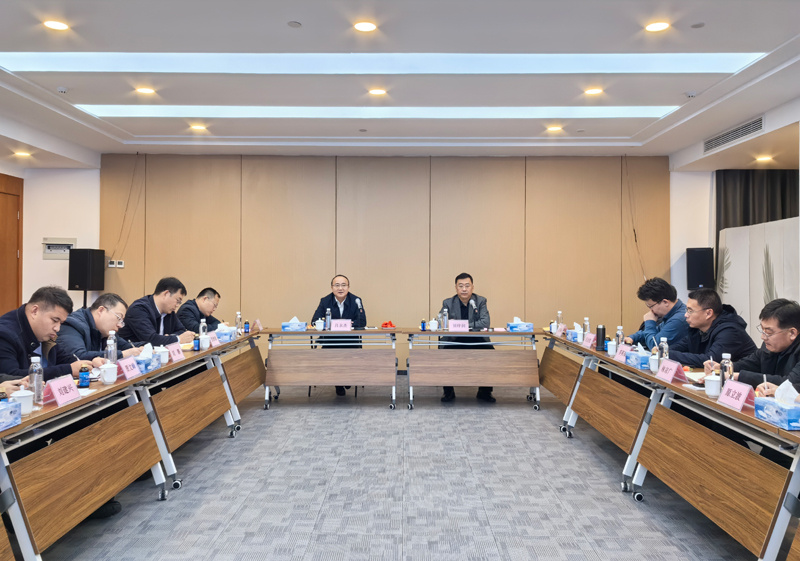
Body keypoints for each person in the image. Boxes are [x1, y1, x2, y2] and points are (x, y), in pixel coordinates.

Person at [0, 286, 97, 381]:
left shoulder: (44, 334)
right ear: (34, 311)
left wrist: (90, 363)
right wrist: (68, 370)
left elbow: (65, 359)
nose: (57, 328)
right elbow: (11, 377)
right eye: (55, 320)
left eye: (61, 323)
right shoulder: (4, 334)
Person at [704, 299, 800, 394]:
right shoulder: (770, 345)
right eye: (762, 330)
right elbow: (750, 363)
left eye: (769, 332)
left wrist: (737, 377)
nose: (763, 337)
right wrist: (724, 368)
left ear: (792, 333)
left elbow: (789, 383)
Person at [439, 273, 494, 403]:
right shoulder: (448, 303)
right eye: (461, 286)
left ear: (472, 287)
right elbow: (442, 322)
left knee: (489, 353)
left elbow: (485, 322)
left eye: (467, 286)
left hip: (476, 339)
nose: (464, 289)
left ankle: (484, 392)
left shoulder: (480, 301)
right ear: (456, 288)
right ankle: (448, 392)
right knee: (444, 354)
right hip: (454, 339)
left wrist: (462, 325)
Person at [668, 288, 756, 368]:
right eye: (686, 310)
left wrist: (668, 354)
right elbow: (680, 346)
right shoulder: (698, 329)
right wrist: (664, 350)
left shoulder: (730, 331)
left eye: (690, 311)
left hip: (744, 379)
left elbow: (711, 360)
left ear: (708, 313)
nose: (686, 315)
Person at [311, 275, 367, 396]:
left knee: (351, 355)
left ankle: (347, 378)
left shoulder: (356, 300)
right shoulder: (325, 301)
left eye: (343, 285)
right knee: (333, 356)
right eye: (337, 285)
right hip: (330, 340)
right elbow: (315, 320)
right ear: (332, 287)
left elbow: (362, 322)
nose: (340, 288)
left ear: (348, 287)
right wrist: (333, 324)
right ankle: (339, 383)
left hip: (350, 340)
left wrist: (350, 324)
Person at [58, 293, 142, 362]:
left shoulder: (105, 331)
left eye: (122, 321)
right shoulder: (73, 324)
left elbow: (125, 346)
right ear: (101, 310)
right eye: (118, 318)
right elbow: (77, 356)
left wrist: (144, 347)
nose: (120, 325)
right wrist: (122, 354)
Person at [118, 277, 194, 347]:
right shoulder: (139, 309)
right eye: (178, 301)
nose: (177, 305)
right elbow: (151, 340)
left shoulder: (169, 311)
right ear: (166, 294)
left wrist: (169, 338)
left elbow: (181, 330)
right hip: (133, 355)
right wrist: (178, 339)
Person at [624, 278, 688, 350]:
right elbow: (655, 332)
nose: (651, 310)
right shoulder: (672, 313)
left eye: (651, 306)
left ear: (665, 302)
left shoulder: (678, 319)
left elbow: (655, 347)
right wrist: (632, 338)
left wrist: (649, 322)